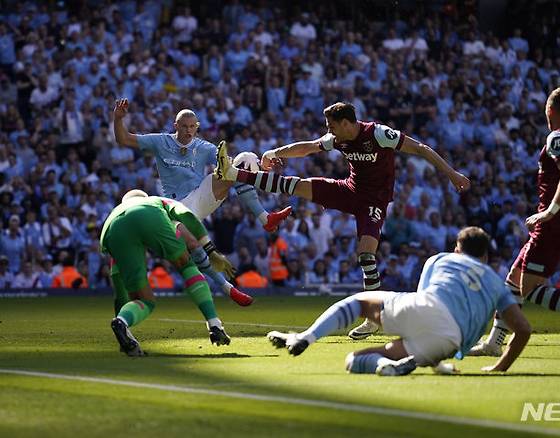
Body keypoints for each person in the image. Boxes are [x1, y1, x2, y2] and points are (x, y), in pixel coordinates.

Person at [216, 101, 470, 339]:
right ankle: (234, 173)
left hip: (373, 201)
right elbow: (309, 147)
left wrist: (452, 174)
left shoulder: (379, 134)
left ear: (348, 123)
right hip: (348, 190)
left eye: (332, 126)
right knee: (297, 186)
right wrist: (274, 152)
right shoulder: (338, 139)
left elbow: (421, 149)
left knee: (366, 255)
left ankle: (373, 317)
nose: (330, 131)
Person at [267, 227, 531, 376]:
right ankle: (388, 366)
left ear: (457, 249)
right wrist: (501, 366)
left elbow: (424, 300)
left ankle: (307, 337)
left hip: (425, 309)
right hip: (449, 341)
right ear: (485, 255)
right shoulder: (497, 283)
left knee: (359, 304)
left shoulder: (442, 259)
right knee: (358, 359)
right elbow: (522, 329)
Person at [471, 87, 560, 357]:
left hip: (554, 220)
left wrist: (551, 212)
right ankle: (493, 343)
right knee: (513, 279)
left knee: (530, 289)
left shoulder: (557, 138)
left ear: (549, 111)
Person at [112, 98, 291, 302]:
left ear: (197, 127)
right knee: (194, 250)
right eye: (184, 126)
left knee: (245, 159)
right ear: (175, 126)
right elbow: (123, 139)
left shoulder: (203, 147)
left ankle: (265, 218)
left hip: (201, 197)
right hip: (175, 207)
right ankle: (228, 289)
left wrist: (262, 165)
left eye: (192, 127)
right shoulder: (161, 141)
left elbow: (230, 167)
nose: (189, 131)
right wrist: (118, 119)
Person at [100, 189, 236, 356]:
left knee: (143, 299)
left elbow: (117, 279)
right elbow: (186, 215)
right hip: (149, 215)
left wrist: (122, 322)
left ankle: (122, 323)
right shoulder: (155, 201)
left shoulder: (114, 213)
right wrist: (211, 250)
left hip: (111, 230)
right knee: (185, 265)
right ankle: (215, 325)